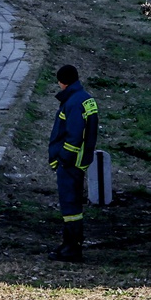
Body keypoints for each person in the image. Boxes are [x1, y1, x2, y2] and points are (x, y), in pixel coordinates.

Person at [47, 64, 100, 263]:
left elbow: (74, 136)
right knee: (73, 205)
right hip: (79, 161)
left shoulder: (74, 102)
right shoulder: (85, 99)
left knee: (70, 206)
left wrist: (63, 159)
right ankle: (69, 244)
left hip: (71, 163)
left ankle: (72, 248)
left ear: (62, 82)